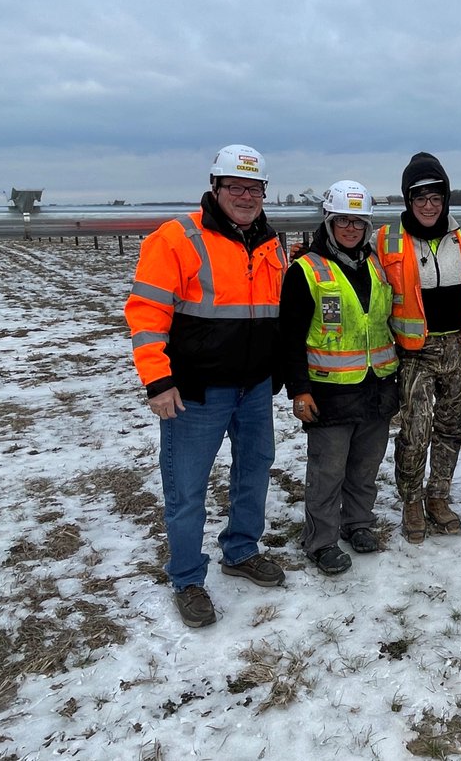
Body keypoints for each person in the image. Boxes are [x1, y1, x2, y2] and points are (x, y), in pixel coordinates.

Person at [124, 145, 287, 629]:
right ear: (215, 188)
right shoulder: (176, 239)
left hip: (254, 388)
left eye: (254, 188)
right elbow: (146, 314)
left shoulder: (271, 243)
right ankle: (188, 578)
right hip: (196, 392)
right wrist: (157, 380)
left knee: (255, 470)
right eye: (235, 186)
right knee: (187, 488)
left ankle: (240, 550)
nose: (245, 196)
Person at [278, 180, 400, 575]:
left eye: (359, 222)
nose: (351, 229)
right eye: (343, 221)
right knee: (328, 471)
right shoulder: (305, 269)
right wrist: (299, 390)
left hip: (377, 386)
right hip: (328, 391)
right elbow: (290, 337)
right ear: (329, 222)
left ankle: (358, 524)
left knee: (365, 466)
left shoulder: (378, 265)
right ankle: (321, 541)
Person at [376, 152, 461, 544]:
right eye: (419, 197)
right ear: (407, 200)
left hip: (458, 348)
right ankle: (411, 500)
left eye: (435, 197)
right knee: (416, 431)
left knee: (450, 428)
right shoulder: (386, 240)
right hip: (414, 352)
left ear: (446, 199)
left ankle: (438, 496)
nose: (428, 205)